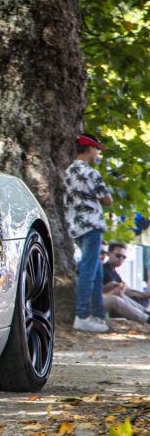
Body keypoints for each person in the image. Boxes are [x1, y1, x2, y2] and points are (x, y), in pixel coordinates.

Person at [63, 133, 113, 333]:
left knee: (96, 270)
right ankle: (82, 315)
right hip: (92, 224)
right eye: (96, 150)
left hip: (75, 226)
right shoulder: (91, 173)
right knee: (89, 271)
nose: (98, 154)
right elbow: (107, 199)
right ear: (88, 149)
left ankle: (98, 315)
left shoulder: (68, 172)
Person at [102, 243, 150, 324]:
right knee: (116, 298)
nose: (121, 259)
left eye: (123, 257)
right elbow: (93, 295)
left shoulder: (112, 272)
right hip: (92, 307)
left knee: (127, 296)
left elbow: (125, 290)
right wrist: (113, 291)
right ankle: (146, 318)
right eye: (118, 255)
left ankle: (145, 313)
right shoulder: (102, 270)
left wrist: (144, 294)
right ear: (109, 254)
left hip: (101, 301)